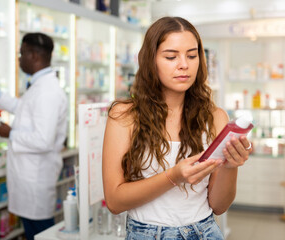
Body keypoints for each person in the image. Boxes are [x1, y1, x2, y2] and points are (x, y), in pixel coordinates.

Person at [102, 17, 252, 240]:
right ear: (150, 60)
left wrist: (231, 166)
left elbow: (219, 206)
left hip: (205, 231)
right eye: (171, 56)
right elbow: (114, 202)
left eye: (192, 56)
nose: (184, 64)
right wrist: (173, 176)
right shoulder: (125, 115)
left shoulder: (215, 116)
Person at [0, 33, 68, 240]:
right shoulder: (39, 86)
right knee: (36, 232)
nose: (19, 58)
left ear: (34, 56)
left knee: (42, 233)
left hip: (35, 180)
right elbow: (23, 108)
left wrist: (11, 134)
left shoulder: (47, 92)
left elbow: (43, 140)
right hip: (29, 179)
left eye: (22, 53)